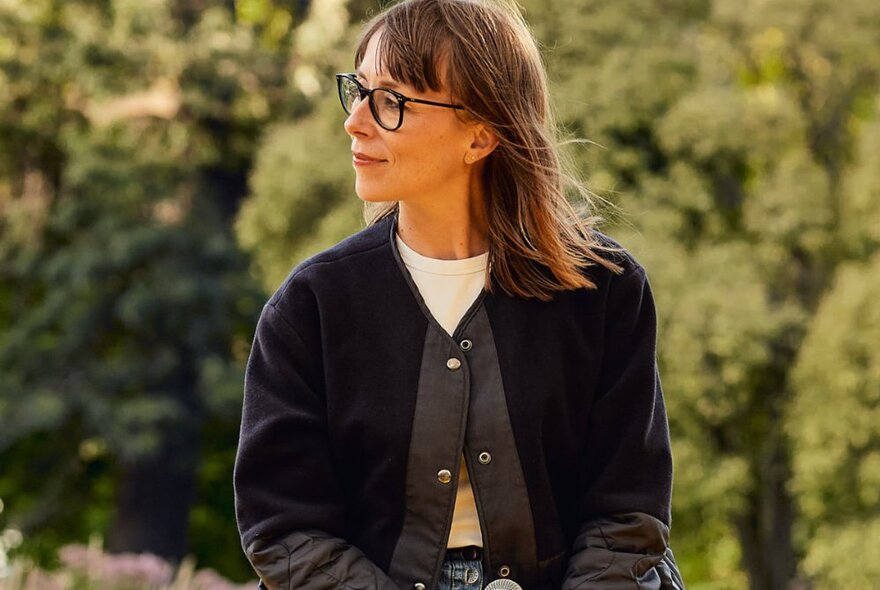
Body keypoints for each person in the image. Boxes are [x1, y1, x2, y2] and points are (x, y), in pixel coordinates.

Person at [233, 0, 685, 588]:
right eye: (359, 90)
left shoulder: (603, 291)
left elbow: (626, 517)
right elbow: (285, 529)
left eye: (392, 101)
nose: (356, 121)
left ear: (481, 135)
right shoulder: (310, 307)